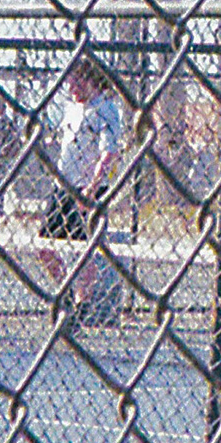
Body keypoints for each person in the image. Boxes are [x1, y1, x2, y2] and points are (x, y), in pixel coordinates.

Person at [38, 59, 124, 326]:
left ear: (92, 81)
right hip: (63, 186)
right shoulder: (72, 109)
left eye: (77, 81)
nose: (71, 87)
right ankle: (66, 293)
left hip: (87, 189)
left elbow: (108, 153)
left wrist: (92, 189)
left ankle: (81, 306)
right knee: (44, 246)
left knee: (84, 251)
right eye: (70, 81)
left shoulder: (105, 109)